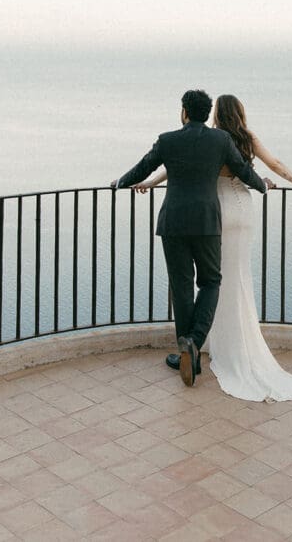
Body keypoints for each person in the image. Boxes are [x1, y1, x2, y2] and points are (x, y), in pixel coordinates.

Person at [133, 94, 292, 402]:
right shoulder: (245, 138)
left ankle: (199, 344)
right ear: (241, 113)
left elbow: (178, 166)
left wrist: (151, 183)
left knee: (210, 279)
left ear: (216, 114)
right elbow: (275, 164)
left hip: (215, 210)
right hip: (242, 209)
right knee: (232, 277)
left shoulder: (214, 139)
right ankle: (222, 345)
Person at [111, 90, 267, 386]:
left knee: (181, 288)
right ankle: (194, 342)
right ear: (206, 114)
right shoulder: (220, 140)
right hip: (207, 223)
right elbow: (243, 170)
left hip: (173, 223)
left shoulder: (168, 140)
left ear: (184, 111)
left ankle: (188, 355)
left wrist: (119, 183)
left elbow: (144, 167)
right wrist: (263, 187)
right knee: (211, 282)